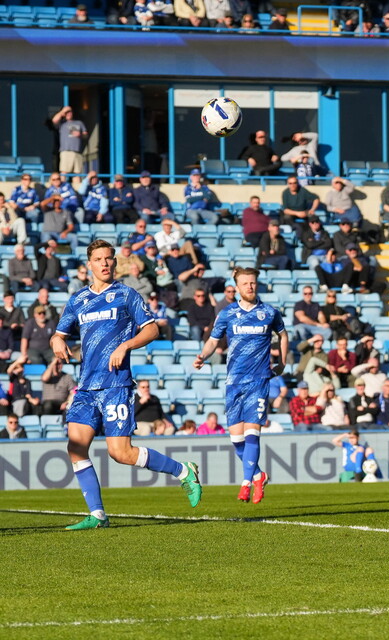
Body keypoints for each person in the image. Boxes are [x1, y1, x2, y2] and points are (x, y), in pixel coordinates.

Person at [53, 239, 201, 530]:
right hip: (86, 387)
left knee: (120, 453)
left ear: (115, 262)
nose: (105, 263)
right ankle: (98, 516)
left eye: (109, 258)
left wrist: (126, 345)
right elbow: (59, 333)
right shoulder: (78, 299)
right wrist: (57, 339)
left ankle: (184, 471)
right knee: (76, 447)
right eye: (99, 259)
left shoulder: (126, 294)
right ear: (89, 265)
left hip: (116, 385)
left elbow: (153, 328)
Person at [194, 267, 288, 503]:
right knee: (237, 442)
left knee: (252, 435)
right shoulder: (227, 313)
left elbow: (283, 335)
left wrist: (283, 363)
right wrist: (202, 356)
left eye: (253, 283)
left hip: (258, 381)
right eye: (245, 283)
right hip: (234, 382)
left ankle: (246, 484)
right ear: (236, 287)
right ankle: (258, 474)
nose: (250, 287)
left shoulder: (269, 312)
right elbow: (213, 341)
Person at [50, 106, 88, 174]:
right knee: (64, 172)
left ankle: (77, 184)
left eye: (70, 112)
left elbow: (86, 135)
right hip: (66, 151)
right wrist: (63, 112)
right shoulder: (62, 124)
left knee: (78, 173)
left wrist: (80, 134)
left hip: (77, 152)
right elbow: (54, 120)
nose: (69, 114)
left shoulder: (79, 123)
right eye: (67, 112)